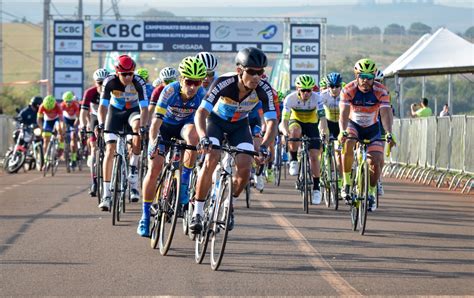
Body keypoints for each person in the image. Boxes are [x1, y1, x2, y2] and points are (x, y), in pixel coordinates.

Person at [190, 47, 277, 233]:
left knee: (245, 167)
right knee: (211, 159)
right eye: (252, 72)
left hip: (239, 126)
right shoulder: (223, 83)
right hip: (216, 123)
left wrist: (264, 146)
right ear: (239, 70)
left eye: (260, 72)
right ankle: (197, 212)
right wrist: (204, 137)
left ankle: (229, 205)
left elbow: (272, 122)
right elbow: (201, 112)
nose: (257, 77)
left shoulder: (264, 89)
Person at [136, 56, 207, 237]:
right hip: (165, 128)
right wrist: (153, 142)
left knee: (193, 135)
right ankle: (145, 216)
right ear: (182, 79)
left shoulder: (202, 94)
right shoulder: (169, 90)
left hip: (185, 128)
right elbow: (156, 121)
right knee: (155, 168)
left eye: (197, 82)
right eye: (189, 82)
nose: (192, 87)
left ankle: (184, 183)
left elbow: (206, 122)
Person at [339, 58, 395, 212]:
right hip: (353, 124)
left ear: (373, 77)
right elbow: (343, 115)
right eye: (362, 76)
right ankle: (347, 183)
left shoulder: (381, 91)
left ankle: (370, 192)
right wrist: (342, 131)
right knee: (348, 142)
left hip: (372, 127)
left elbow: (385, 114)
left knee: (375, 159)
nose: (365, 80)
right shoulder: (348, 90)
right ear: (356, 76)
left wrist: (389, 133)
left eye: (369, 77)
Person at [97, 55, 148, 211]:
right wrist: (100, 123)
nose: (127, 77)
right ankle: (106, 195)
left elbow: (144, 108)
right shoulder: (110, 82)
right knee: (110, 150)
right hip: (115, 113)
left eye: (130, 73)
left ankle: (133, 173)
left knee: (138, 127)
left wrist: (144, 127)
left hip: (132, 112)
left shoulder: (139, 82)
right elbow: (103, 107)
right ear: (117, 72)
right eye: (124, 74)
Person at [279, 74, 328, 205]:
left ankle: (317, 188)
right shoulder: (290, 99)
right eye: (303, 90)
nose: (306, 93)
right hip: (296, 121)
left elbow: (322, 119)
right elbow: (284, 120)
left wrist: (323, 131)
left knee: (314, 157)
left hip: (312, 124)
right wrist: (285, 132)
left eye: (309, 90)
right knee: (294, 131)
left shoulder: (317, 98)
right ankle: (294, 159)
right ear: (297, 89)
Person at [80, 68, 109, 196]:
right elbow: (83, 112)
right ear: (95, 82)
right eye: (99, 82)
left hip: (109, 117)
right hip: (95, 117)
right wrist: (83, 124)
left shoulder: (112, 91)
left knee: (110, 146)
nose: (102, 85)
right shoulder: (90, 93)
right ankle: (94, 182)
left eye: (104, 82)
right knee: (93, 148)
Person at [37, 95, 64, 164]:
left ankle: (61, 146)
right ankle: (46, 158)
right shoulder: (42, 106)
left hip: (56, 119)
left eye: (51, 108)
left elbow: (61, 120)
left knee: (60, 129)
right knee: (46, 139)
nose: (49, 110)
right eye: (47, 109)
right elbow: (39, 119)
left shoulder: (58, 106)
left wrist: (62, 128)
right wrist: (41, 128)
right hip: (48, 120)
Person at [60, 91, 80, 169]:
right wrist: (62, 128)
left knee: (73, 137)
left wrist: (75, 126)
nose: (68, 103)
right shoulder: (62, 105)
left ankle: (74, 158)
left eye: (70, 101)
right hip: (66, 119)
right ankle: (62, 148)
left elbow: (78, 118)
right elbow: (60, 118)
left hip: (74, 120)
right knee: (61, 130)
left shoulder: (75, 105)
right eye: (67, 102)